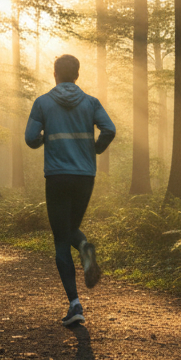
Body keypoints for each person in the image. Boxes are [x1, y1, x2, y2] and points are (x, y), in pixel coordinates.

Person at [24, 54, 117, 326]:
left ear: (55, 74)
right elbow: (109, 129)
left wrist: (45, 138)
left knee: (61, 239)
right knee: (71, 227)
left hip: (56, 177)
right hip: (85, 176)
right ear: (77, 75)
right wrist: (94, 149)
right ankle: (85, 247)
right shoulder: (91, 103)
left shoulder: (42, 103)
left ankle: (75, 304)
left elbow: (30, 139)